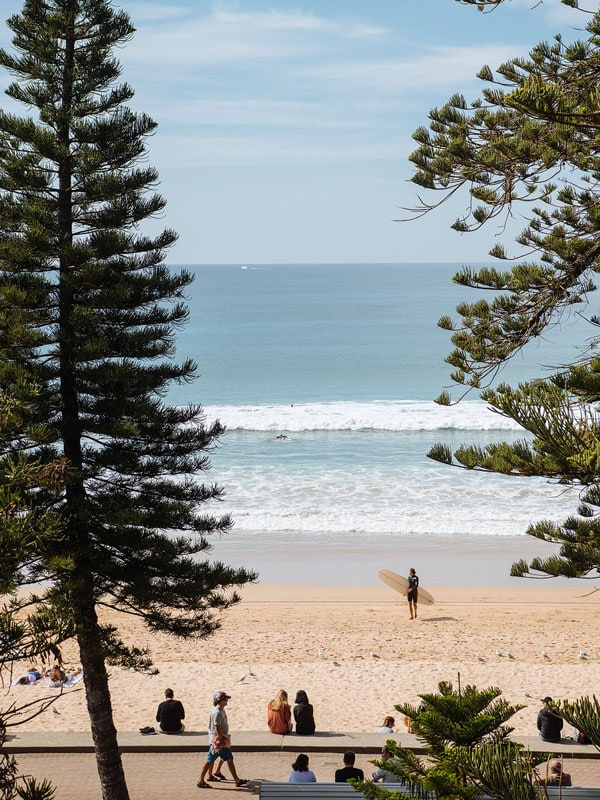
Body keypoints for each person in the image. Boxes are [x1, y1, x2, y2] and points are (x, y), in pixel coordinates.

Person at [197, 691, 248, 789]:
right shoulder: (217, 712)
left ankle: (236, 780)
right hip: (219, 740)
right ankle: (201, 780)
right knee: (210, 760)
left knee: (227, 759)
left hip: (221, 739)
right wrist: (221, 739)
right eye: (225, 699)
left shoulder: (220, 710)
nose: (227, 700)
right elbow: (217, 726)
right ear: (220, 701)